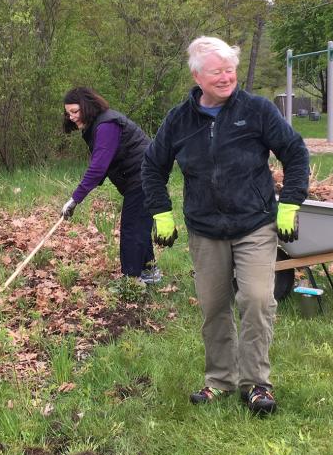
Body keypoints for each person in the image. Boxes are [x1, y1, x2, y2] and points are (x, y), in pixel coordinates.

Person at [141, 36, 310, 415]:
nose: (225, 77)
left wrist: (290, 203)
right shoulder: (179, 120)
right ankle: (219, 380)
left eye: (230, 69)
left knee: (256, 299)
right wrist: (161, 213)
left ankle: (256, 385)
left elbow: (295, 152)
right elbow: (152, 166)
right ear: (198, 76)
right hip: (205, 228)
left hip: (255, 223)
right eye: (216, 71)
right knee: (214, 306)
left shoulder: (257, 110)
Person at [61, 87, 161, 285]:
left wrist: (74, 199)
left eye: (75, 111)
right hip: (142, 177)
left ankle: (132, 281)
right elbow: (103, 167)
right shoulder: (98, 125)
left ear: (87, 107)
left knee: (132, 228)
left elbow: (98, 167)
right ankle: (149, 272)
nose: (71, 117)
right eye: (68, 113)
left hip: (144, 177)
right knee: (139, 226)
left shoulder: (107, 124)